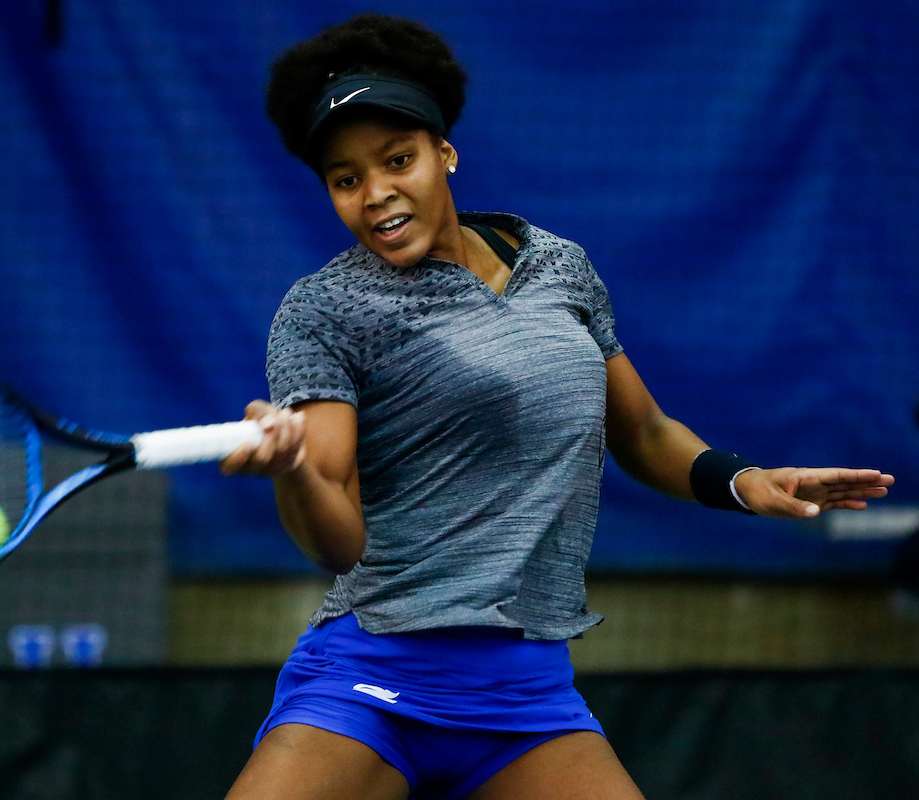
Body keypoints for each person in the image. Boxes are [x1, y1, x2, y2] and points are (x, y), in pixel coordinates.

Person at [219, 13, 894, 800]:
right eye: (345, 179)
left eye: (397, 159)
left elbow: (641, 429)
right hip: (374, 677)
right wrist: (294, 468)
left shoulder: (556, 266)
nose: (377, 195)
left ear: (445, 151)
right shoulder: (326, 310)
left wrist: (747, 482)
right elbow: (336, 537)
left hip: (526, 698)